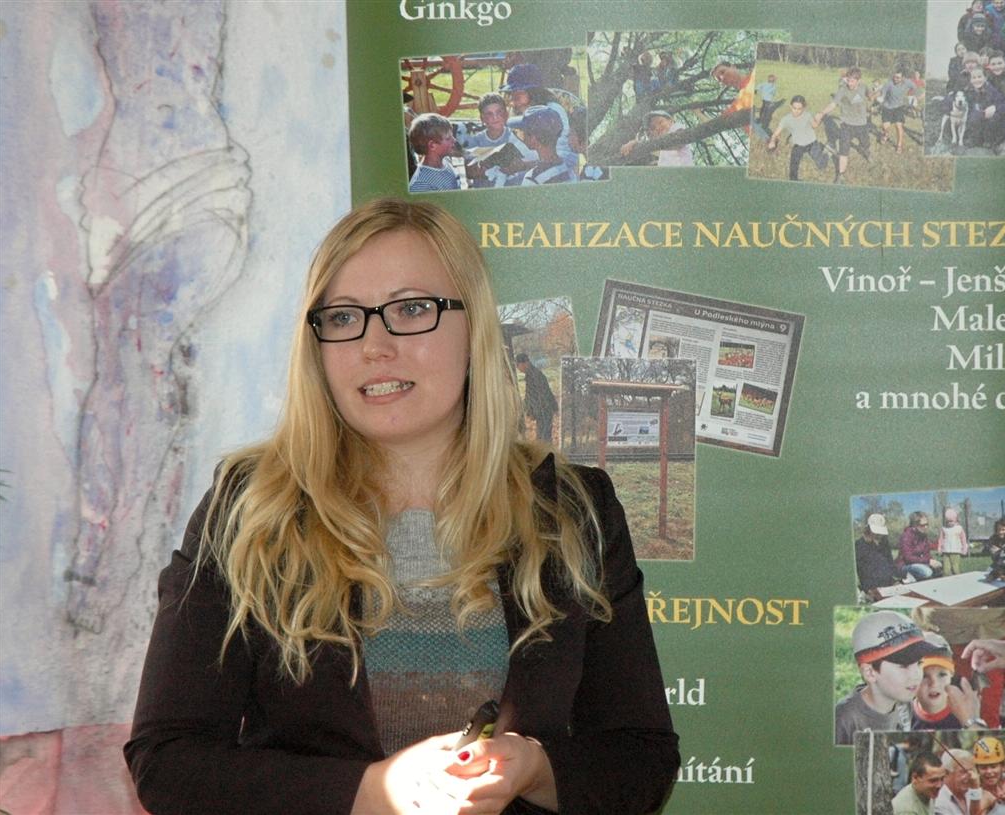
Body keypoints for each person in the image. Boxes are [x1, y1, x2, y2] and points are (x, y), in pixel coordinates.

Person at [124, 199, 679, 814]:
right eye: (343, 317)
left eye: (412, 309)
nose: (374, 345)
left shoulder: (576, 508)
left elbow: (641, 758)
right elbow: (167, 761)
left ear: (475, 330)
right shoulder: (249, 507)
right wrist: (373, 792)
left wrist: (532, 768)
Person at [834, 610, 938, 745]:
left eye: (919, 663)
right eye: (904, 666)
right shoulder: (843, 720)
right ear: (870, 672)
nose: (917, 674)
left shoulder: (906, 703)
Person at [499, 63, 578, 170]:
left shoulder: (553, 112)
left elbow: (560, 155)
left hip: (557, 170)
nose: (513, 101)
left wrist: (524, 166)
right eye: (512, 95)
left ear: (533, 92)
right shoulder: (526, 110)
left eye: (517, 95)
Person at [458, 93, 536, 188]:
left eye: (499, 112)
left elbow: (537, 162)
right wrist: (480, 170)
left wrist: (522, 165)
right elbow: (469, 173)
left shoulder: (518, 136)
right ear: (482, 118)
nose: (495, 117)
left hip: (513, 189)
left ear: (506, 114)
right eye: (489, 114)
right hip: (485, 191)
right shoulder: (474, 142)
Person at [814, 66, 871, 184]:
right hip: (847, 125)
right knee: (843, 150)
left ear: (858, 81)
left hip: (861, 124)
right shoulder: (843, 90)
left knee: (865, 144)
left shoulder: (863, 86)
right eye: (848, 80)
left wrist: (872, 98)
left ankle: (866, 152)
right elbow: (833, 104)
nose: (849, 83)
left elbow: (869, 94)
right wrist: (822, 113)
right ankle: (841, 175)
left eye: (852, 81)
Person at [913, 633, 981, 731]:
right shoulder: (902, 712)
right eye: (924, 676)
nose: (934, 683)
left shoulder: (964, 715)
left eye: (942, 675)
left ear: (951, 675)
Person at [508, 106, 578, 185]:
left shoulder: (532, 178)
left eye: (522, 131)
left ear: (533, 139)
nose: (520, 135)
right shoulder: (567, 168)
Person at [766, 95, 831, 181]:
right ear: (790, 106)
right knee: (793, 167)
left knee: (822, 166)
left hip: (812, 143)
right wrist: (772, 141)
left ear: (804, 108)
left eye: (799, 109)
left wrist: (819, 119)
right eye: (794, 108)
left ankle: (826, 154)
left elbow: (814, 126)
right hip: (798, 145)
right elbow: (776, 133)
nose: (796, 111)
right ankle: (794, 180)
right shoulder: (786, 119)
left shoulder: (807, 115)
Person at [407, 113, 461, 192]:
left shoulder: (446, 161)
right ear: (432, 145)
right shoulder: (421, 185)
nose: (454, 140)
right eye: (448, 138)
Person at [620, 110, 694, 167]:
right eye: (653, 128)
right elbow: (655, 149)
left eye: (660, 122)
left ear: (671, 121)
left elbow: (677, 142)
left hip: (684, 174)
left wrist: (639, 143)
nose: (657, 128)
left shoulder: (676, 128)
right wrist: (634, 143)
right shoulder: (663, 149)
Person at [935, 748, 995, 815]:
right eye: (963, 772)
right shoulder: (940, 801)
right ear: (947, 773)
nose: (971, 776)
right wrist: (975, 790)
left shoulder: (972, 791)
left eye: (971, 770)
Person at [515, 353, 557, 443]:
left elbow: (537, 396)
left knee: (543, 437)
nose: (518, 369)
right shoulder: (532, 374)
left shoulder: (533, 375)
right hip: (544, 410)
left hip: (544, 411)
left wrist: (532, 411)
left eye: (518, 365)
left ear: (524, 363)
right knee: (543, 436)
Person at [855, 512, 901, 594]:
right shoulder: (859, 545)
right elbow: (862, 572)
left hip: (889, 584)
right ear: (868, 529)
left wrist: (894, 581)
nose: (879, 535)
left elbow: (890, 564)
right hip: (872, 586)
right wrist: (868, 590)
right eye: (876, 532)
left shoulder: (884, 543)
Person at [877, 65, 917, 151]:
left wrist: (910, 94)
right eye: (894, 77)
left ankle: (899, 145)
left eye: (898, 78)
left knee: (899, 126)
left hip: (899, 107)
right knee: (885, 127)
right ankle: (885, 134)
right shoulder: (889, 83)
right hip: (887, 107)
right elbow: (882, 94)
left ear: (903, 78)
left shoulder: (907, 82)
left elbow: (914, 87)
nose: (895, 79)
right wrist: (880, 98)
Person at [897, 511, 940, 581]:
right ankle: (908, 578)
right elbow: (908, 558)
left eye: (927, 524)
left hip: (918, 563)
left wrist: (932, 561)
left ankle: (913, 579)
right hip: (905, 565)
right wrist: (928, 561)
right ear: (914, 525)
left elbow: (926, 553)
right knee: (927, 572)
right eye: (923, 525)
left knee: (938, 567)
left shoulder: (923, 536)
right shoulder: (906, 536)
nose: (926, 527)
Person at [936, 507, 969, 576]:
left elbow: (963, 539)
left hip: (956, 551)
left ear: (955, 520)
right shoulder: (944, 529)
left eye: (951, 521)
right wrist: (939, 548)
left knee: (955, 568)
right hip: (946, 551)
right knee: (946, 569)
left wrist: (964, 548)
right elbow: (941, 539)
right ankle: (947, 579)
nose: (949, 523)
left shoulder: (959, 528)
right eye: (947, 521)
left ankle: (957, 578)